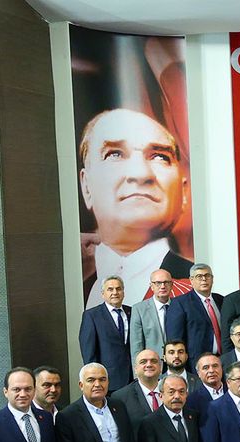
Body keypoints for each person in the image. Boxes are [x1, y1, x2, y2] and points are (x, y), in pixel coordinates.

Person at [78, 108, 191, 307]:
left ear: (183, 192)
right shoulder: (68, 280)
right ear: (86, 186)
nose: (140, 174)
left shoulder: (196, 284)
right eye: (115, 154)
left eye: (159, 156)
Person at [79, 275, 133, 391]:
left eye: (118, 289)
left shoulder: (132, 312)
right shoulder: (92, 315)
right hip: (108, 380)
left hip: (133, 378)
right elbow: (89, 353)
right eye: (110, 289)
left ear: (123, 292)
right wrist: (96, 380)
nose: (115, 292)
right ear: (103, 294)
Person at [173, 263, 224, 366]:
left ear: (212, 279)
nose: (204, 279)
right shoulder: (180, 303)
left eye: (207, 275)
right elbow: (176, 338)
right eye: (199, 276)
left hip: (223, 359)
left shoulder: (221, 300)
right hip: (196, 361)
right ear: (191, 280)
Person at [129, 269, 181, 358]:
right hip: (152, 362)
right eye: (158, 283)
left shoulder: (180, 306)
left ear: (172, 285)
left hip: (177, 360)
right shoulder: (139, 309)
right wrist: (137, 366)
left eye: (166, 282)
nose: (163, 286)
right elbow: (136, 345)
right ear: (151, 286)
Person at [112, 349, 164, 433]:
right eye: (143, 362)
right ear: (135, 369)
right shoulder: (120, 397)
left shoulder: (172, 391)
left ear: (161, 367)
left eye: (153, 361)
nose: (149, 365)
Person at [184, 353, 225, 418]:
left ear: (221, 369)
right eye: (206, 368)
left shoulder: (233, 391)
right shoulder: (192, 400)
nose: (211, 370)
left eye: (215, 366)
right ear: (198, 373)